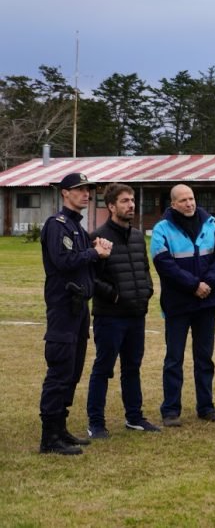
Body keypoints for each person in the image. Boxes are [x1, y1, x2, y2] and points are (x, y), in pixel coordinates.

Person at [38, 173, 112, 455]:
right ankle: (49, 437)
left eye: (88, 190)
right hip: (63, 307)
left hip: (79, 308)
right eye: (80, 190)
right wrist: (95, 254)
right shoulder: (57, 226)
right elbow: (65, 262)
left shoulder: (78, 229)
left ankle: (61, 428)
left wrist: (99, 255)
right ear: (65, 193)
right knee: (59, 370)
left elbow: (87, 269)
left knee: (73, 370)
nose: (86, 194)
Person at [150, 183, 215, 427]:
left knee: (204, 357)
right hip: (178, 304)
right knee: (174, 358)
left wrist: (208, 283)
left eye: (192, 198)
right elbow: (164, 264)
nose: (189, 203)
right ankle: (171, 410)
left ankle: (206, 407)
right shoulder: (161, 230)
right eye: (183, 200)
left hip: (207, 303)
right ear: (173, 204)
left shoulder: (210, 224)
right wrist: (194, 285)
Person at [86, 183, 159, 439]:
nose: (131, 205)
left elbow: (144, 270)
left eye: (132, 200)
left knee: (132, 367)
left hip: (136, 315)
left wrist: (146, 291)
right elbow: (91, 278)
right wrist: (115, 295)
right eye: (125, 201)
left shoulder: (139, 237)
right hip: (110, 317)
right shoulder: (98, 237)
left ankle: (134, 417)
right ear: (111, 206)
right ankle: (96, 422)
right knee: (103, 368)